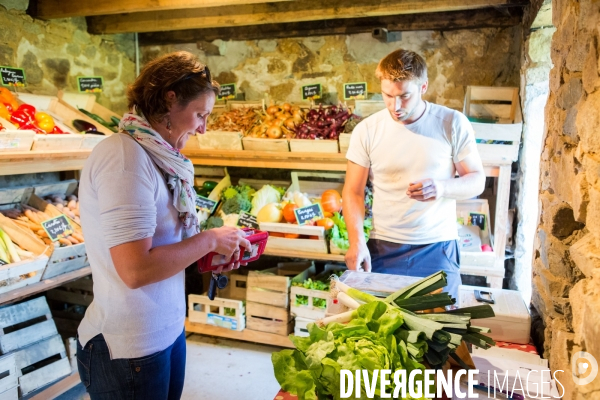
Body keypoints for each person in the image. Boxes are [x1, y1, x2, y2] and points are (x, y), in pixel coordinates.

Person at [76, 51, 251, 400]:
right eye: (200, 115)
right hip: (129, 347)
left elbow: (165, 249)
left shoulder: (161, 158)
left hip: (165, 333)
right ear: (170, 100)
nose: (203, 128)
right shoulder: (125, 158)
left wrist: (210, 255)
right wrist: (208, 240)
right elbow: (136, 270)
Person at [343, 49, 485, 299]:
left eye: (404, 96)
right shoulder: (367, 130)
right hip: (383, 246)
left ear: (423, 87)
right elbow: (353, 191)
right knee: (381, 331)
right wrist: (356, 240)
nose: (395, 106)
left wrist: (442, 188)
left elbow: (476, 180)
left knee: (440, 331)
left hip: (437, 247)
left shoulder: (451, 123)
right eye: (387, 95)